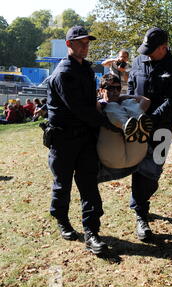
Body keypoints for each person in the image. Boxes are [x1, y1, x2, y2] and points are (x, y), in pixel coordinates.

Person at [46, 26, 122, 255]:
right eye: (80, 42)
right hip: (64, 139)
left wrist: (104, 106)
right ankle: (62, 220)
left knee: (89, 185)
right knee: (63, 184)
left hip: (86, 137)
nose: (85, 46)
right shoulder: (63, 73)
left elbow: (91, 103)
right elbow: (79, 109)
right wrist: (107, 125)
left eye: (87, 42)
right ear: (69, 45)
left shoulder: (87, 69)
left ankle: (92, 232)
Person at [128, 27, 172, 241]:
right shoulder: (138, 62)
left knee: (153, 172)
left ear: (164, 47)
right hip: (137, 125)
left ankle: (140, 201)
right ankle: (141, 214)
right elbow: (132, 89)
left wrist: (151, 120)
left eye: (152, 50)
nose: (147, 53)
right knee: (138, 168)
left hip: (162, 128)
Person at [96, 74, 152, 169]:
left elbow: (146, 100)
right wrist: (102, 97)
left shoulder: (123, 102)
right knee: (112, 105)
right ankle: (127, 126)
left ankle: (140, 125)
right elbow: (94, 105)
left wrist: (125, 96)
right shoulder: (100, 104)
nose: (115, 91)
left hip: (136, 155)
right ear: (101, 90)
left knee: (129, 102)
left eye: (118, 88)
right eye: (110, 88)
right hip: (112, 155)